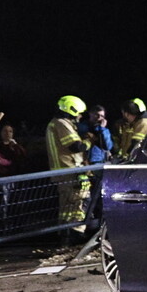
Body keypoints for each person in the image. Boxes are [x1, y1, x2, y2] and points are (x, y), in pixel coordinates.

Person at [46, 96, 90, 232]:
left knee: (67, 206)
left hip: (65, 171)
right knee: (76, 202)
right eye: (79, 112)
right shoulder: (61, 123)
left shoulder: (56, 123)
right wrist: (89, 141)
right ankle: (74, 232)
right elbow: (75, 146)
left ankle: (66, 234)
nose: (80, 116)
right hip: (69, 171)